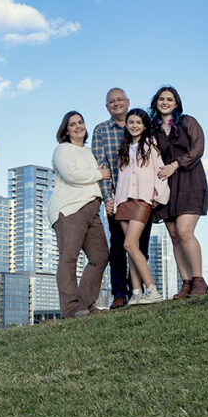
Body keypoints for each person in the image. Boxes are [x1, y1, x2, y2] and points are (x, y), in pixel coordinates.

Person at [92, 88, 153, 309]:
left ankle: (139, 291)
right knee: (118, 247)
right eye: (111, 102)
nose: (116, 104)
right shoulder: (101, 131)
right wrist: (108, 199)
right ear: (107, 107)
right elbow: (102, 167)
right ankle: (120, 294)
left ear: (128, 102)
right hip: (116, 201)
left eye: (120, 100)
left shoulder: (141, 125)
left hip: (140, 199)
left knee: (140, 246)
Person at [48, 111, 111, 319]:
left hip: (92, 209)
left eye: (80, 122)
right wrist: (98, 174)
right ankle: (70, 309)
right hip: (70, 208)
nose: (77, 126)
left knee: (100, 256)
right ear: (66, 130)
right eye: (72, 124)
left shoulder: (90, 152)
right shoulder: (63, 149)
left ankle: (83, 305)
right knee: (69, 258)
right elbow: (71, 175)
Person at [150, 85, 208, 298]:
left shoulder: (187, 122)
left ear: (176, 103)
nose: (165, 102)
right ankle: (185, 283)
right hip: (167, 186)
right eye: (161, 99)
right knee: (174, 236)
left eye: (169, 99)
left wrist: (175, 165)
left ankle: (199, 281)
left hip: (190, 180)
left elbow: (198, 149)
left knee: (185, 232)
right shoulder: (153, 130)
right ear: (156, 103)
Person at [106, 109, 168, 304]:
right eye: (131, 122)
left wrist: (158, 195)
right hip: (123, 201)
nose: (134, 125)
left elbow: (160, 171)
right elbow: (121, 179)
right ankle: (136, 292)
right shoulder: (123, 149)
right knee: (130, 249)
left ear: (144, 125)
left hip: (142, 199)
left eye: (138, 122)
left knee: (130, 244)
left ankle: (152, 290)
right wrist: (115, 202)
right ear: (127, 125)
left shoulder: (150, 145)